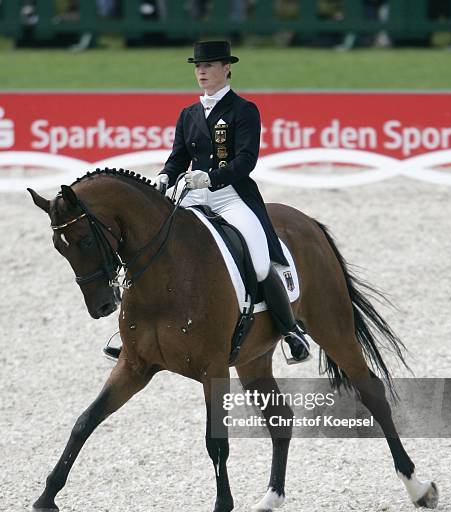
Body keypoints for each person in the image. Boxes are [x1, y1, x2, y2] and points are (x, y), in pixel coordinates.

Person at [104, 40, 309, 363]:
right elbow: (177, 158)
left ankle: (289, 331)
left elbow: (246, 160)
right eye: (198, 67)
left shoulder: (244, 110)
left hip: (231, 196)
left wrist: (211, 177)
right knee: (153, 248)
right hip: (192, 197)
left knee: (257, 259)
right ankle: (133, 330)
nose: (202, 71)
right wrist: (164, 177)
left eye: (209, 66)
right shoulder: (188, 114)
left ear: (226, 68)